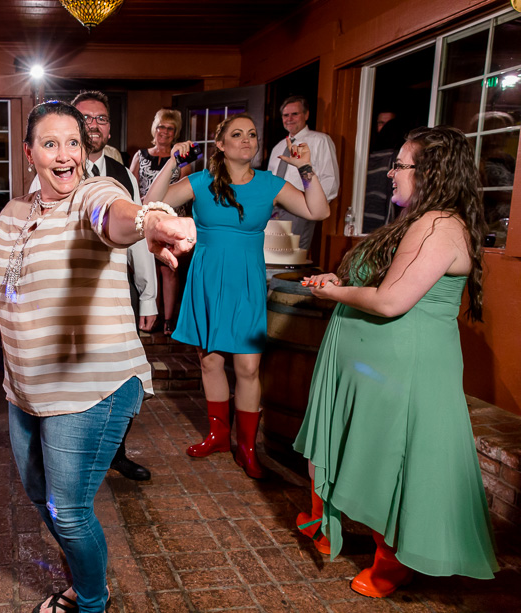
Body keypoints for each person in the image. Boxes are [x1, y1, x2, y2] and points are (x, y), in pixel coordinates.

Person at [0, 101, 196, 613]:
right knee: (41, 499)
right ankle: (84, 579)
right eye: (50, 143)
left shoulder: (93, 197)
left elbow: (116, 216)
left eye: (73, 143)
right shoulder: (13, 216)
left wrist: (151, 219)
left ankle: (91, 601)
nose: (64, 155)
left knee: (70, 512)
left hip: (90, 389)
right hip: (26, 391)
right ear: (29, 153)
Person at [293, 126, 499, 597]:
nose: (391, 172)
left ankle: (394, 563)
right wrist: (339, 280)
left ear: (430, 172)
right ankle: (330, 525)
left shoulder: (438, 226)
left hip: (404, 372)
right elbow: (385, 280)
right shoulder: (416, 221)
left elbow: (390, 302)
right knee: (363, 451)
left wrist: (333, 292)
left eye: (401, 164)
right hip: (375, 369)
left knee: (391, 461)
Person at [144, 114, 329, 479]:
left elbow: (318, 210)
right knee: (210, 361)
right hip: (207, 277)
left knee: (248, 366)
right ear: (221, 145)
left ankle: (246, 446)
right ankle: (218, 435)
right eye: (237, 134)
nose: (247, 140)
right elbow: (151, 203)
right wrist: (172, 162)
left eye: (253, 134)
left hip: (246, 280)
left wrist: (306, 167)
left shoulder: (270, 184)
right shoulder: (200, 181)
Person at [29, 91, 157, 482]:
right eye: (85, 120)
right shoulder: (49, 172)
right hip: (67, 296)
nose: (93, 126)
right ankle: (76, 463)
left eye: (101, 119)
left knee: (113, 376)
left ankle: (113, 452)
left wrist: (148, 294)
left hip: (115, 291)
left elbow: (130, 223)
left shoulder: (120, 176)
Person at [129, 108, 191, 336]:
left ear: (176, 132)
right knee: (147, 268)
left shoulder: (183, 156)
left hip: (172, 218)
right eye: (161, 127)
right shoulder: (140, 155)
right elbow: (131, 185)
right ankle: (149, 314)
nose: (164, 132)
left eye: (170, 128)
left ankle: (168, 320)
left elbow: (186, 186)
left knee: (168, 269)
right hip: (145, 217)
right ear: (154, 128)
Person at [266, 96, 339, 250]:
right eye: (286, 115)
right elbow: (270, 181)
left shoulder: (320, 140)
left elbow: (330, 180)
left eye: (295, 114)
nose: (289, 119)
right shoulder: (278, 147)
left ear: (306, 115)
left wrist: (311, 207)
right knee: (271, 255)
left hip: (301, 210)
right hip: (273, 212)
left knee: (292, 257)